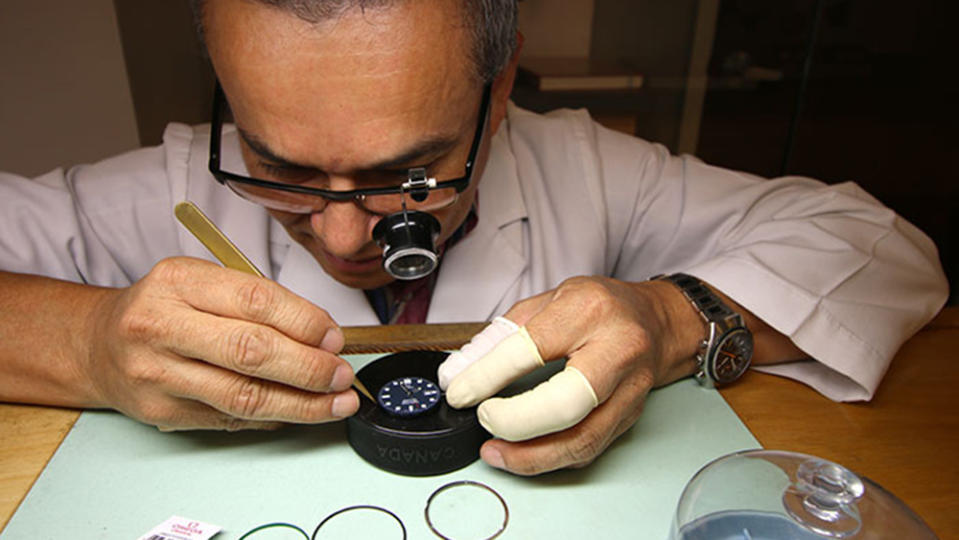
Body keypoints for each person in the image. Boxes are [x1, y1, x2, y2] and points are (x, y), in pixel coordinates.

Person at [0, 0, 947, 476]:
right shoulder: (161, 186)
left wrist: (671, 316)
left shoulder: (583, 166)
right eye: (277, 163)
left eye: (409, 175)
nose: (340, 236)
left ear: (498, 97)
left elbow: (880, 246)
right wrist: (83, 344)